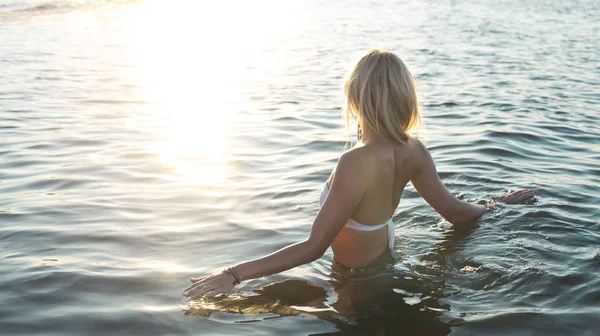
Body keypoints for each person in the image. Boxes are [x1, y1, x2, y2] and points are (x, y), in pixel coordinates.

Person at [182, 49, 534, 298]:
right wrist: (494, 205)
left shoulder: (355, 161)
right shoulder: (414, 150)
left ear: (354, 97)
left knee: (238, 307)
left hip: (355, 287)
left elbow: (313, 248)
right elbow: (456, 213)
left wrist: (233, 274)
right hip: (389, 265)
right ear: (405, 98)